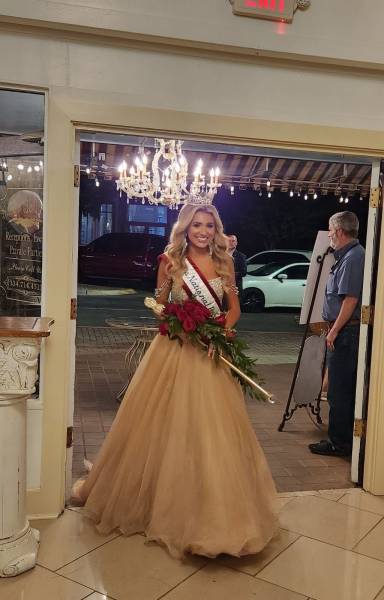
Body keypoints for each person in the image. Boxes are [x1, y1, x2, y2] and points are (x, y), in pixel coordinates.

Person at [73, 203, 278, 559]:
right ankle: (161, 505)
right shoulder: (170, 261)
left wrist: (217, 333)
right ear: (184, 228)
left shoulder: (225, 262)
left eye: (209, 226)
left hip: (210, 355)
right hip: (174, 353)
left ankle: (216, 516)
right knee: (164, 429)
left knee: (213, 435)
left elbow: (234, 309)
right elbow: (160, 307)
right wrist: (181, 325)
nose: (202, 231)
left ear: (216, 230)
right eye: (196, 225)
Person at [309, 211, 365, 457]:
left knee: (339, 391)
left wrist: (333, 331)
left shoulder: (353, 258)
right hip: (343, 332)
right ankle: (341, 438)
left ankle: (339, 443)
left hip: (346, 333)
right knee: (339, 389)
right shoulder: (348, 255)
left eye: (331, 230)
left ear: (340, 231)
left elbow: (350, 300)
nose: (329, 234)